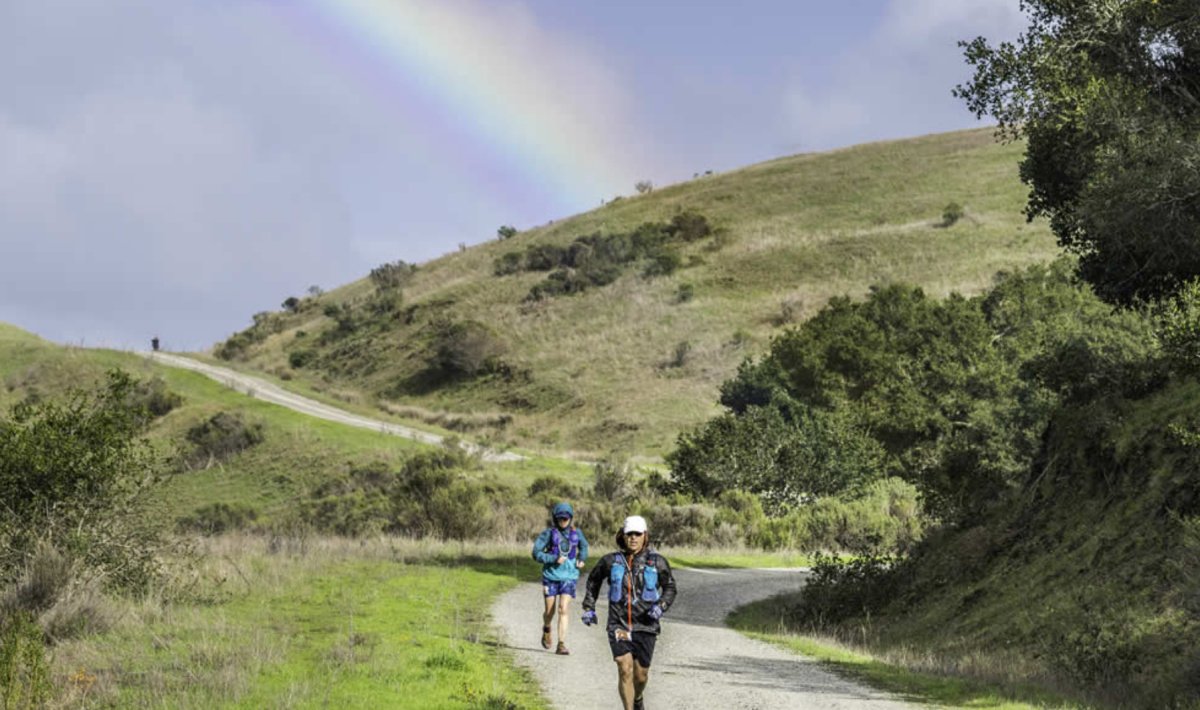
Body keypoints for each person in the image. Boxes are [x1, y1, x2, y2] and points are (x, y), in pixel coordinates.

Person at [581, 515, 677, 710]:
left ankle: (638, 698)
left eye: (637, 534)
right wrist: (589, 607)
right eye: (629, 534)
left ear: (645, 536)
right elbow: (593, 581)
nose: (633, 538)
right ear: (622, 536)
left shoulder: (657, 562)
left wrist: (661, 606)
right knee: (624, 668)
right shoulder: (610, 561)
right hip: (619, 624)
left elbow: (670, 587)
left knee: (640, 676)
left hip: (646, 625)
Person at [531, 501, 589, 655]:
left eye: (566, 518)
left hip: (569, 577)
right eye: (560, 518)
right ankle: (546, 628)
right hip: (551, 576)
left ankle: (561, 644)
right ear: (555, 519)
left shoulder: (577, 533)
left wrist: (582, 558)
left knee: (563, 609)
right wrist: (552, 559)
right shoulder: (548, 534)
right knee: (549, 612)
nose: (563, 521)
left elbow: (584, 547)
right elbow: (536, 553)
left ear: (570, 518)